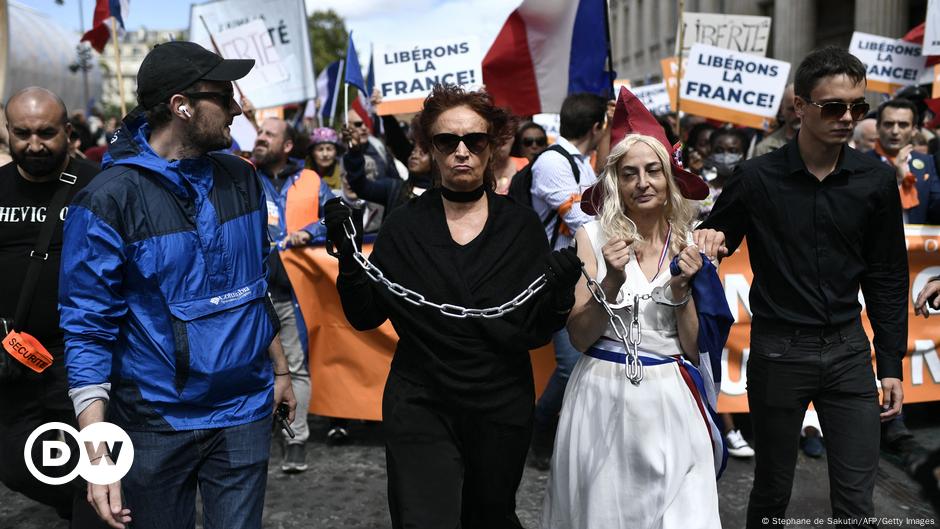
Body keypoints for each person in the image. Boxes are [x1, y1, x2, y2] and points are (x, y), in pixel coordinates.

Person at [60, 41, 296, 529]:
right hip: (155, 423)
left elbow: (257, 284)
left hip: (244, 410)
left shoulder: (241, 177)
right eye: (223, 94)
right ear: (181, 106)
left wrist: (281, 370)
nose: (236, 107)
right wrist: (97, 450)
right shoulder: (107, 200)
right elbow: (87, 328)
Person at [325, 84, 581, 529]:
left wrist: (558, 294)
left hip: (500, 404)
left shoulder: (519, 227)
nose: (462, 151)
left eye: (475, 140)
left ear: (492, 146)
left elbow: (535, 331)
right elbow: (366, 316)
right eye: (447, 141)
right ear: (429, 148)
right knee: (425, 518)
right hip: (421, 401)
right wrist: (348, 258)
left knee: (490, 516)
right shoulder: (404, 226)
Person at [695, 46, 908, 529]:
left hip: (849, 351)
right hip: (777, 352)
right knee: (772, 493)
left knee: (857, 504)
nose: (848, 117)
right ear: (800, 107)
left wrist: (891, 363)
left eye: (858, 106)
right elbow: (717, 238)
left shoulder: (875, 180)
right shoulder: (755, 177)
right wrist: (708, 239)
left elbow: (889, 276)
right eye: (834, 106)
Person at [541, 87, 723, 529]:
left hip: (672, 397)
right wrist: (611, 280)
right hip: (603, 397)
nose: (643, 182)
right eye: (629, 173)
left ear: (670, 180)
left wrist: (682, 288)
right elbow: (581, 338)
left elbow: (694, 345)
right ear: (615, 183)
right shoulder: (593, 240)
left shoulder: (691, 242)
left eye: (653, 171)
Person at [0, 87, 104, 528]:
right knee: (13, 463)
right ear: (8, 132)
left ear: (68, 131)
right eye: (22, 133)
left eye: (46, 132)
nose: (34, 144)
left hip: (79, 356)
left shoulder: (99, 186)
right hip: (11, 357)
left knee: (92, 463)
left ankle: (88, 506)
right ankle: (72, 498)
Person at [529, 92, 606, 470]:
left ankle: (576, 437)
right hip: (555, 277)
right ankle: (539, 431)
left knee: (591, 360)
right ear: (597, 127)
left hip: (585, 274)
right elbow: (584, 220)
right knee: (571, 364)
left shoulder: (585, 165)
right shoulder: (551, 162)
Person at [253, 117, 335, 472]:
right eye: (259, 132)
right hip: (246, 295)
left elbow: (335, 217)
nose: (260, 137)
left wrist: (310, 231)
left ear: (287, 146)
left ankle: (295, 439)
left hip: (290, 294)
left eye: (268, 134)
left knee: (295, 368)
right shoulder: (242, 176)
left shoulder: (311, 180)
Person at [869, 98, 940, 225]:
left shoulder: (928, 162)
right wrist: (898, 181)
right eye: (888, 124)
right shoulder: (860, 162)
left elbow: (936, 212)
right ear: (878, 127)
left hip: (916, 243)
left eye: (903, 125)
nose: (895, 131)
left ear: (913, 130)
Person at [699, 127, 749, 222]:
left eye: (733, 151)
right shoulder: (698, 188)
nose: (725, 156)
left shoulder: (749, 191)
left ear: (744, 155)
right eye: (719, 150)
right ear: (711, 152)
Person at [754, 84, 800, 157]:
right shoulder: (765, 149)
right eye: (792, 109)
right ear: (782, 109)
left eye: (801, 108)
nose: (798, 115)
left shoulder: (822, 141)